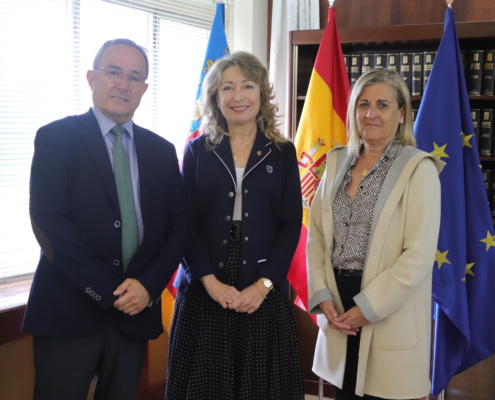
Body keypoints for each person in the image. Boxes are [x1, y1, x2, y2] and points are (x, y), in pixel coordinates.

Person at [22, 38, 188, 400]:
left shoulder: (162, 151)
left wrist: (148, 286)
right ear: (91, 77)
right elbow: (49, 223)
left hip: (135, 312)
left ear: (144, 89)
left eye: (134, 77)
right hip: (69, 310)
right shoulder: (55, 138)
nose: (123, 84)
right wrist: (109, 290)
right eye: (113, 72)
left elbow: (179, 227)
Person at [165, 51, 304, 400]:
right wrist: (208, 281)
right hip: (204, 286)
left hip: (261, 287)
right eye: (227, 87)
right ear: (215, 97)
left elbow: (290, 224)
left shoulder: (283, 152)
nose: (238, 96)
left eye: (247, 86)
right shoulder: (197, 150)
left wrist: (264, 284)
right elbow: (184, 223)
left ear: (262, 93)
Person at [306, 68, 444, 400]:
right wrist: (323, 295)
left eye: (383, 105)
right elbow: (317, 238)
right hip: (337, 304)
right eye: (363, 104)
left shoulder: (419, 169)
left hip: (385, 307)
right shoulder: (336, 162)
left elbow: (418, 256)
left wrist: (367, 308)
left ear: (401, 113)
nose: (371, 114)